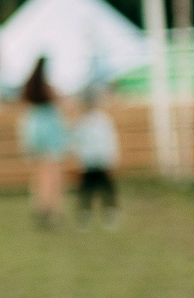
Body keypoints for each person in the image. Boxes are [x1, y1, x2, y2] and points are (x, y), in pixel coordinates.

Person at [18, 56, 67, 228]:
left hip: (34, 131)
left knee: (40, 174)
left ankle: (40, 205)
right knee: (53, 173)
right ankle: (52, 208)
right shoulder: (48, 88)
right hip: (50, 131)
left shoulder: (31, 87)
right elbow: (60, 101)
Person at [72, 82, 120, 227]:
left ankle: (111, 212)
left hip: (102, 161)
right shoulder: (81, 122)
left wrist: (112, 157)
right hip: (88, 162)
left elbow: (110, 140)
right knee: (87, 190)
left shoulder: (103, 120)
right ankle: (85, 214)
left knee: (107, 188)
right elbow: (76, 141)